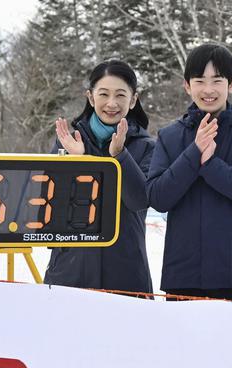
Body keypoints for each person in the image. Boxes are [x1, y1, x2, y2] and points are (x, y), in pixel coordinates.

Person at [147, 43, 232, 300]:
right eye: (199, 80)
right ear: (187, 85)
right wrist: (194, 154)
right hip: (183, 278)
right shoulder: (170, 137)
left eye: (217, 80)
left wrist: (211, 165)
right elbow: (158, 198)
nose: (208, 90)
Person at [45, 60, 154, 294]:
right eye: (103, 94)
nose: (112, 103)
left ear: (133, 100)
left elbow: (138, 200)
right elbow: (51, 208)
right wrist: (79, 161)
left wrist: (120, 155)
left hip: (126, 274)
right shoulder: (69, 141)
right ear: (91, 97)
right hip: (70, 272)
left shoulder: (147, 147)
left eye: (120, 95)